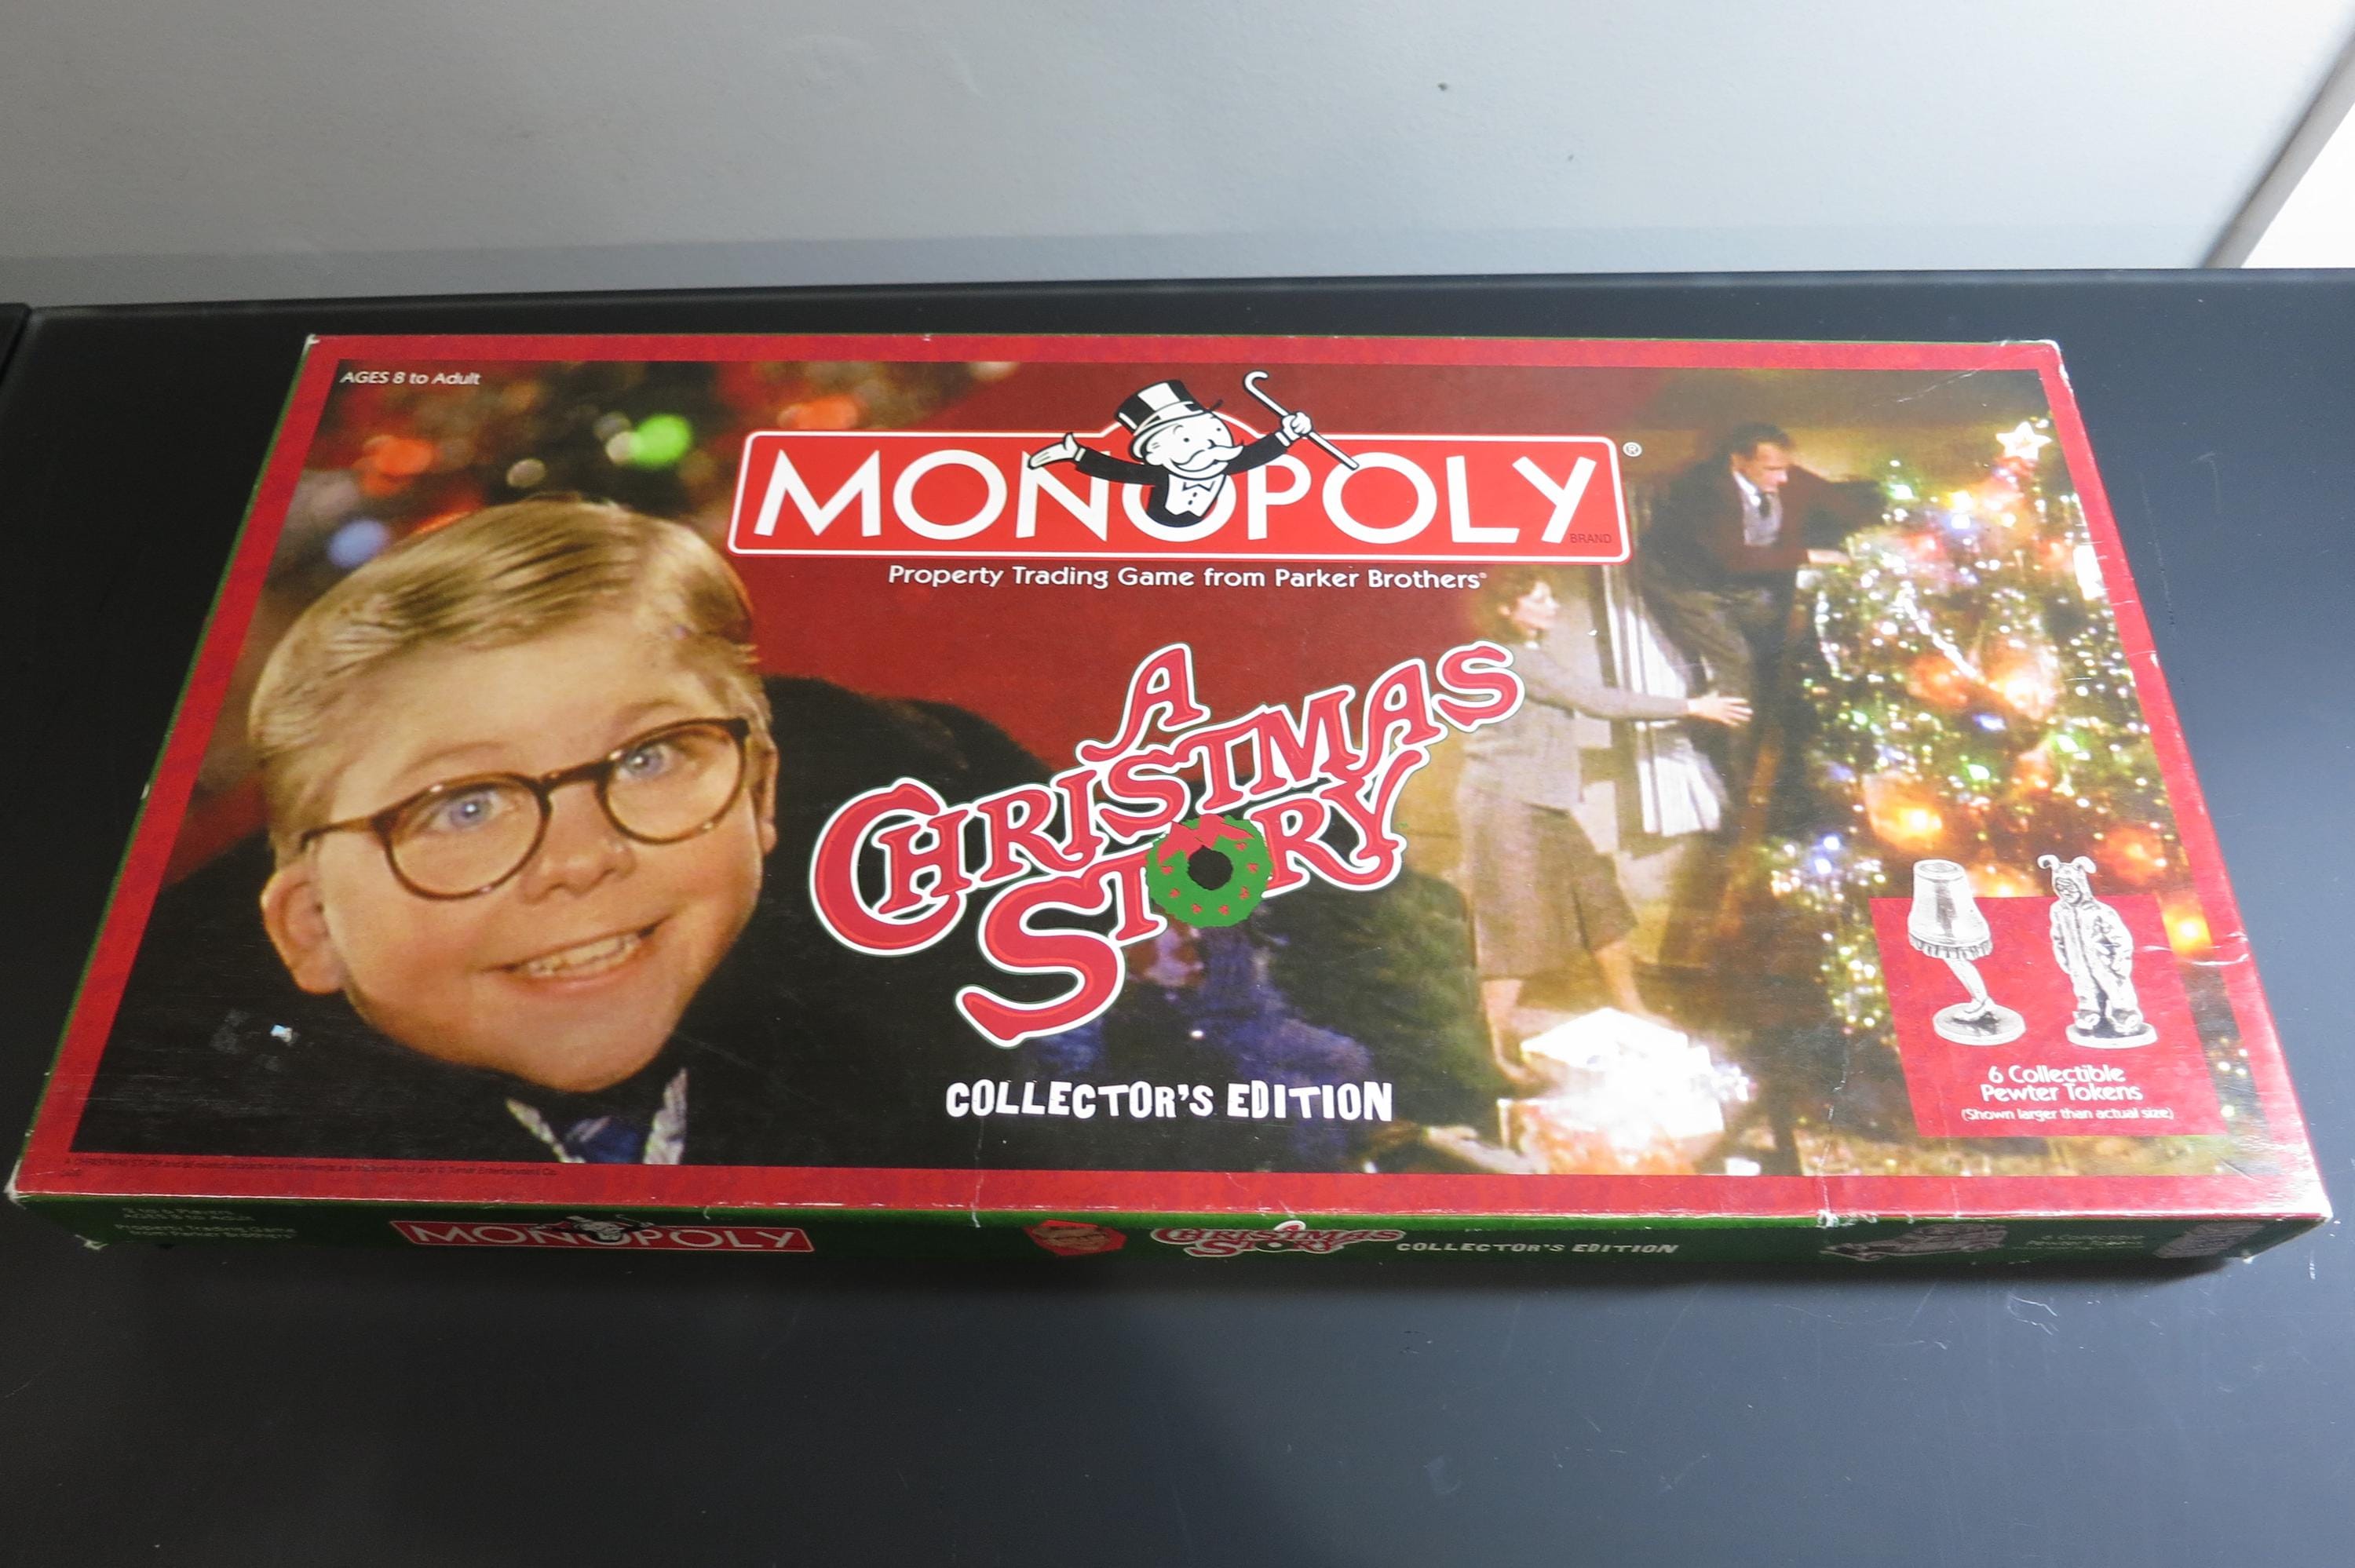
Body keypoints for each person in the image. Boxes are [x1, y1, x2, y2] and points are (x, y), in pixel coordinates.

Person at [1455, 568, 1748, 1085]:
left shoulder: (1528, 655)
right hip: (1504, 805)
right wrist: (1691, 707)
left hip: (1541, 802)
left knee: (1599, 901)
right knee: (1514, 929)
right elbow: (1598, 701)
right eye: (1538, 599)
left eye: (1551, 596)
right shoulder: (1514, 659)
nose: (1552, 606)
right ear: (1506, 610)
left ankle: (1631, 1006)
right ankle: (1487, 1050)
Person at [1637, 423, 1875, 709]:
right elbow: (1730, 557)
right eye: (1771, 469)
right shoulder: (1702, 490)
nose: (1783, 478)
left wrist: (1881, 529)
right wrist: (1810, 555)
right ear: (1738, 461)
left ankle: (1769, 717)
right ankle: (1730, 731)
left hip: (1736, 579)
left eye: (1785, 468)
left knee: (1779, 635)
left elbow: (1839, 503)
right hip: (1686, 583)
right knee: (1735, 659)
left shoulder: (1786, 478)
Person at [1028, 379, 1313, 533]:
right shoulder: (1159, 475)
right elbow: (1119, 470)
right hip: (1160, 519)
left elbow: (1256, 455)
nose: (1209, 444)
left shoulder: (1225, 462)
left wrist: (1289, 433)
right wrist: (1076, 453)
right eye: (1187, 438)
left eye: (1214, 429)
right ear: (1155, 453)